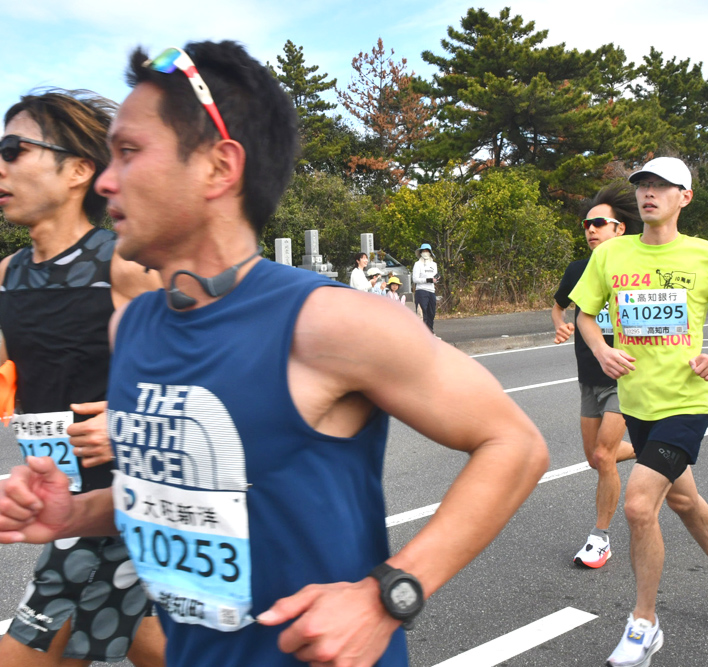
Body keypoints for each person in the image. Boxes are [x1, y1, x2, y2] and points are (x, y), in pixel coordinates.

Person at [0, 42, 549, 667]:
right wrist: (71, 513)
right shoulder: (133, 326)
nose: (105, 180)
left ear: (219, 166)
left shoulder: (329, 321)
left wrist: (388, 595)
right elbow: (161, 499)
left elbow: (515, 445)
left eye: (129, 152)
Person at [570, 157, 708, 667]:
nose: (649, 193)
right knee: (682, 499)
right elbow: (584, 313)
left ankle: (644, 623)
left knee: (639, 506)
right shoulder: (611, 254)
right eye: (643, 186)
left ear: (685, 197)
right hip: (637, 402)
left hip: (686, 402)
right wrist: (602, 349)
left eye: (661, 186)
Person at [0, 90, 165, 666]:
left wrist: (131, 424)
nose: (1, 167)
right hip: (66, 504)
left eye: (14, 150)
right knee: (154, 644)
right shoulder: (8, 276)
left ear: (77, 170)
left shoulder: (121, 265)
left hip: (126, 501)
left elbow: (210, 375)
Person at [551, 181, 639, 569]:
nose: (590, 230)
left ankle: (600, 538)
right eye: (586, 224)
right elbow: (558, 306)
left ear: (620, 229)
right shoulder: (577, 270)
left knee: (604, 455)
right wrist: (560, 324)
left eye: (599, 223)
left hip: (625, 377)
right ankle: (650, 447)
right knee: (594, 458)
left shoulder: (637, 269)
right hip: (589, 377)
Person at [412, 243, 438, 332]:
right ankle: (422, 333)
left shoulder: (434, 264)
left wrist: (436, 279)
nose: (425, 252)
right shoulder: (417, 264)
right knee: (422, 313)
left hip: (431, 291)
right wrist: (428, 280)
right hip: (421, 291)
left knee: (431, 312)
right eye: (423, 251)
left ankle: (430, 332)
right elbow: (415, 279)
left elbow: (435, 279)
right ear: (420, 252)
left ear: (430, 252)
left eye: (427, 251)